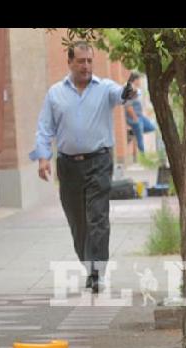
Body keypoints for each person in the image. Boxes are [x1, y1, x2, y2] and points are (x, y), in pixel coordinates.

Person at [30, 41, 135, 293]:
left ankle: (98, 273)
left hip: (99, 162)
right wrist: (43, 158)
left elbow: (122, 95)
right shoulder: (55, 93)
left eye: (89, 61)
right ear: (70, 62)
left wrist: (129, 92)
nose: (86, 66)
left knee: (97, 217)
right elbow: (45, 128)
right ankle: (89, 266)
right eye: (81, 61)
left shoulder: (105, 88)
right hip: (68, 166)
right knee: (78, 222)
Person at [124, 72, 157, 154]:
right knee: (140, 138)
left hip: (140, 116)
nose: (140, 82)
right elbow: (128, 107)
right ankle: (143, 155)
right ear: (135, 80)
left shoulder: (136, 90)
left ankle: (132, 132)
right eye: (139, 80)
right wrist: (135, 119)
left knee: (152, 127)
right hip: (134, 117)